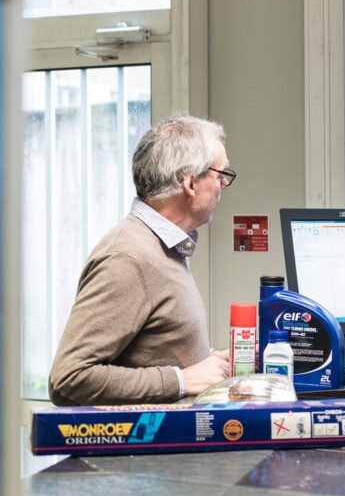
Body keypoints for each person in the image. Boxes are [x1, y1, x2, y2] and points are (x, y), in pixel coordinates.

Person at [49, 115, 233, 406]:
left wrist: (207, 361)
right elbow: (69, 378)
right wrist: (181, 380)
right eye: (220, 174)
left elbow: (152, 349)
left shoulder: (165, 246)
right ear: (190, 183)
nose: (224, 184)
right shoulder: (127, 258)